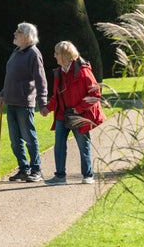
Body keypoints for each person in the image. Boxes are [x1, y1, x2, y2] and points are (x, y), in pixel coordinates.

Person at [44, 41, 106, 185]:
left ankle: (88, 175)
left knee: (83, 145)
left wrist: (79, 108)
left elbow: (96, 94)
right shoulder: (59, 72)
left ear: (65, 56)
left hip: (80, 114)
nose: (54, 56)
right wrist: (48, 107)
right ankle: (60, 176)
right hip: (62, 114)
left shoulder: (83, 72)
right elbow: (57, 96)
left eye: (57, 53)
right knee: (59, 145)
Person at [0, 22, 48, 182]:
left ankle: (36, 170)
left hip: (24, 103)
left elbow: (41, 80)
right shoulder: (16, 51)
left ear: (26, 36)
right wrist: (2, 94)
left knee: (29, 138)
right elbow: (9, 77)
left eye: (18, 32)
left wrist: (43, 102)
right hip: (11, 101)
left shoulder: (33, 53)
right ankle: (23, 169)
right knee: (15, 140)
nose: (14, 33)